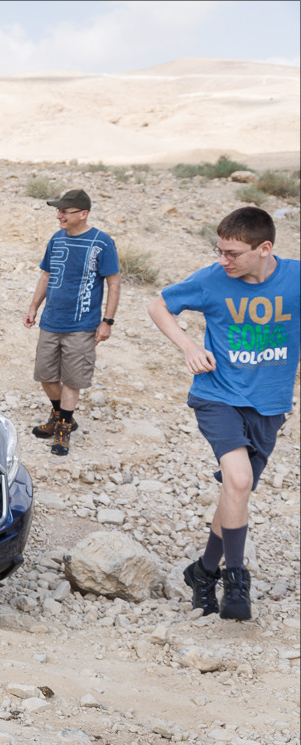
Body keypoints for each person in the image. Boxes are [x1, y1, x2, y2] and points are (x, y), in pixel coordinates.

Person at [147, 207, 298, 621]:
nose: (223, 260)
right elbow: (158, 305)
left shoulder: (295, 278)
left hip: (270, 405)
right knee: (239, 479)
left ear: (264, 248)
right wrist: (189, 348)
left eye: (232, 253)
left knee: (236, 493)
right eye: (219, 251)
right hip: (218, 396)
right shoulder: (211, 279)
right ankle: (235, 579)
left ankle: (203, 572)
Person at [23, 189, 120, 456]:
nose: (59, 216)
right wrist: (33, 307)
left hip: (83, 324)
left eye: (64, 211)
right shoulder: (56, 239)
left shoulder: (102, 242)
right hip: (51, 320)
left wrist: (107, 321)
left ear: (83, 214)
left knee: (73, 379)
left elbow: (113, 282)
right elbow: (46, 275)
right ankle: (61, 414)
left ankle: (63, 428)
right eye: (59, 211)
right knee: (45, 374)